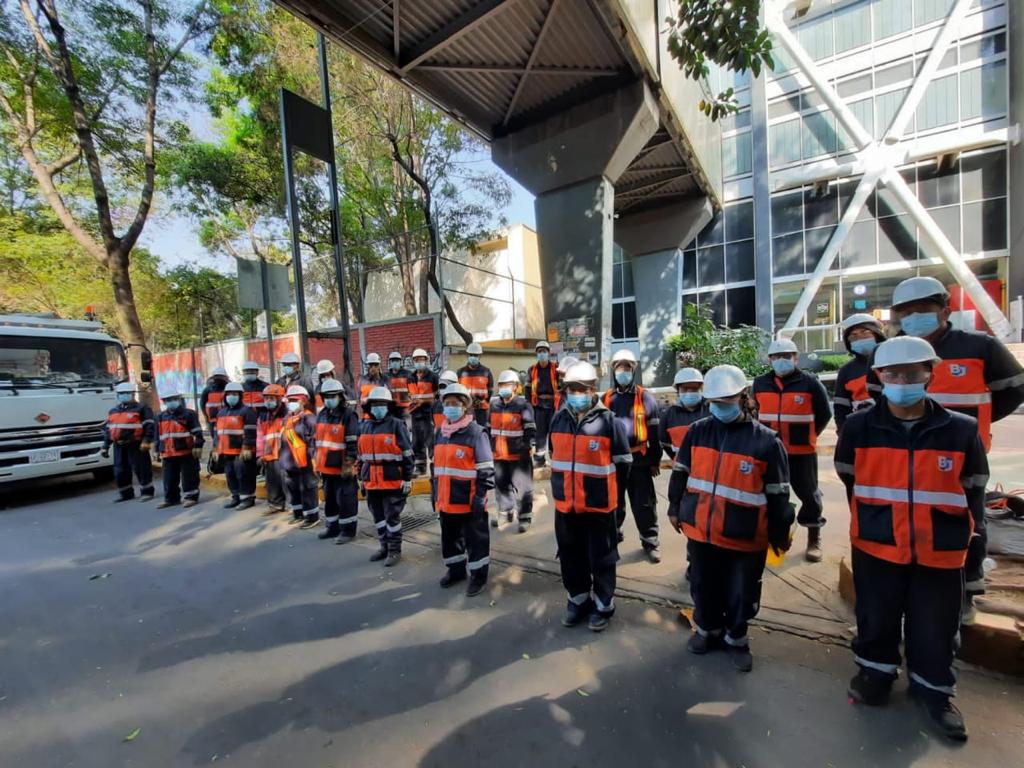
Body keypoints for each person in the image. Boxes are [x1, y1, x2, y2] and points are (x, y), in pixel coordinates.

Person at [836, 337, 988, 742]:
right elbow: (847, 473)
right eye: (893, 373)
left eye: (913, 372)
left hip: (940, 548)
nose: (903, 379)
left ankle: (934, 692)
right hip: (877, 544)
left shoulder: (960, 429)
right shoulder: (859, 426)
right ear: (879, 377)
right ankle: (875, 675)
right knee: (876, 617)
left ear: (929, 373)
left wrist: (973, 553)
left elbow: (973, 489)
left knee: (935, 625)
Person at [891, 276, 1024, 620]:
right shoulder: (895, 351)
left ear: (945, 310)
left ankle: (967, 589)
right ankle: (916, 585)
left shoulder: (979, 346)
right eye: (906, 311)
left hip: (965, 453)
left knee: (969, 520)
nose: (914, 316)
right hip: (910, 454)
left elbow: (1013, 389)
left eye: (923, 309)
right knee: (915, 518)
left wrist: (975, 425)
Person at [667, 364, 793, 672]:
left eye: (727, 401)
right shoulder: (698, 432)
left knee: (741, 592)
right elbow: (680, 472)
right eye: (715, 402)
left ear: (743, 396)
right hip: (702, 532)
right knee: (702, 585)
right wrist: (674, 507)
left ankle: (737, 639)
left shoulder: (766, 441)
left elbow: (779, 495)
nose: (720, 407)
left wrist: (779, 535)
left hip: (745, 536)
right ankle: (707, 630)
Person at [550, 361, 632, 632]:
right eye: (570, 389)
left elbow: (623, 464)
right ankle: (578, 600)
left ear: (593, 389)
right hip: (566, 506)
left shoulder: (609, 422)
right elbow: (556, 458)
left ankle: (604, 605)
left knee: (602, 558)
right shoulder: (558, 419)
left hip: (599, 506)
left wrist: (616, 503)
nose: (575, 394)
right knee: (571, 557)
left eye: (580, 389)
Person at [753, 338, 832, 562]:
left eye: (787, 356)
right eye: (777, 357)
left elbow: (824, 414)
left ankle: (814, 536)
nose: (782, 361)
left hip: (801, 452)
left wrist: (808, 435)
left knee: (809, 494)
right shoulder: (760, 383)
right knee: (771, 496)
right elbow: (755, 412)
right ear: (769, 360)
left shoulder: (809, 382)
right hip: (770, 451)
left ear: (796, 358)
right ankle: (776, 539)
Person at [434, 383, 496, 596]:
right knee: (450, 539)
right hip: (446, 500)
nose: (451, 408)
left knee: (476, 541)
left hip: (469, 502)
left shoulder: (477, 433)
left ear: (465, 406)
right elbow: (438, 469)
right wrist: (436, 495)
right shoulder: (440, 433)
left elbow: (486, 469)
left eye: (455, 404)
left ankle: (478, 577)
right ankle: (456, 570)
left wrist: (480, 496)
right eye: (447, 403)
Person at [604, 348, 662, 563]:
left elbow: (654, 433)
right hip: (614, 461)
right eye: (620, 367)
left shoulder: (645, 397)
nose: (623, 371)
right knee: (614, 503)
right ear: (613, 370)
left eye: (627, 367)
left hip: (639, 460)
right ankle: (614, 539)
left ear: (633, 370)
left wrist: (655, 461)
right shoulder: (607, 398)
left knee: (644, 504)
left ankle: (650, 541)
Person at [358, 387, 414, 566]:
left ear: (388, 406)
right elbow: (361, 456)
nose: (378, 408)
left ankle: (394, 550)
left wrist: (407, 478)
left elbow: (407, 454)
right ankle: (384, 546)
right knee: (378, 517)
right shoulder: (364, 426)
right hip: (371, 480)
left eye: (382, 405)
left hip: (391, 479)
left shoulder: (397, 424)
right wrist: (361, 478)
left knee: (392, 517)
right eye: (375, 405)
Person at [314, 378, 360, 543]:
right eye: (326, 396)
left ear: (341, 396)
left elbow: (353, 441)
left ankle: (347, 531)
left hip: (343, 468)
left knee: (346, 500)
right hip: (326, 467)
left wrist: (349, 463)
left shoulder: (349, 415)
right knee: (330, 500)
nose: (329, 399)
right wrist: (316, 463)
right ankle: (332, 527)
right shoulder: (322, 414)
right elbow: (318, 441)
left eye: (333, 396)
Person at [489, 369, 536, 532]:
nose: (503, 388)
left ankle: (524, 517)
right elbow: (490, 429)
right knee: (501, 485)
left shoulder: (523, 405)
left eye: (507, 385)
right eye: (501, 385)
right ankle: (505, 513)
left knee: (523, 487)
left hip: (519, 456)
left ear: (516, 387)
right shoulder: (494, 405)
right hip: (499, 456)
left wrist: (526, 448)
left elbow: (530, 430)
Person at [102, 381, 156, 502]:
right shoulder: (113, 411)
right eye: (121, 393)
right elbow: (109, 430)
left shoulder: (142, 408)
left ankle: (147, 492)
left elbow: (149, 426)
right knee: (120, 470)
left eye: (127, 393)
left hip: (136, 444)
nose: (124, 395)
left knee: (141, 469)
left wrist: (146, 441)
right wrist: (105, 446)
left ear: (132, 394)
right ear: (117, 395)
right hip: (119, 445)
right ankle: (126, 493)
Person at [833, 314, 885, 432]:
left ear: (877, 334)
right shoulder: (847, 371)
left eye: (865, 332)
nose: (860, 338)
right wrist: (844, 434)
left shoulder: (894, 360)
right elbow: (841, 408)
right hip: (864, 432)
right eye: (853, 335)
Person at [155, 387, 204, 509]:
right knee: (169, 478)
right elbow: (158, 435)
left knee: (189, 476)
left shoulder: (189, 414)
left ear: (178, 399)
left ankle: (191, 497)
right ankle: (171, 498)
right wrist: (156, 449)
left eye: (173, 399)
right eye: (168, 400)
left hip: (185, 451)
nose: (171, 401)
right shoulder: (161, 416)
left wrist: (198, 445)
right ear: (164, 401)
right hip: (167, 452)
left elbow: (197, 432)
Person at [279, 385, 319, 528]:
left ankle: (312, 516)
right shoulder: (288, 418)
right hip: (289, 461)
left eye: (295, 399)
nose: (292, 402)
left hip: (305, 461)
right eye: (290, 400)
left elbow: (313, 442)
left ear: (304, 401)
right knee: (293, 488)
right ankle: (298, 513)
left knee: (308, 488)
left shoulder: (309, 419)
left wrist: (314, 460)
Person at [213, 381, 258, 509]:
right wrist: (216, 448)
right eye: (229, 394)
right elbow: (217, 433)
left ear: (240, 396)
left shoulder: (247, 411)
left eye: (234, 394)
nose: (231, 397)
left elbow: (250, 431)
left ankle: (248, 498)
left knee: (244, 474)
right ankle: (236, 496)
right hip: (226, 451)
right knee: (230, 474)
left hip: (241, 451)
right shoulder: (221, 413)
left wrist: (248, 447)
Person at [659, 367, 709, 458]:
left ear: (701, 388)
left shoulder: (712, 410)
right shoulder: (668, 415)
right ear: (678, 390)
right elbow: (664, 443)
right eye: (685, 389)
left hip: (709, 468)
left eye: (694, 388)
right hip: (682, 468)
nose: (689, 392)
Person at [526, 340, 559, 467]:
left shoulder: (555, 368)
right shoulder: (532, 370)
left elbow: (561, 388)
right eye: (539, 351)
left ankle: (555, 458)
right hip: (538, 406)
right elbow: (528, 390)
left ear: (549, 353)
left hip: (553, 406)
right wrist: (529, 408)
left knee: (554, 432)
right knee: (540, 433)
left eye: (544, 351)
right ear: (536, 354)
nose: (542, 354)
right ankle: (539, 460)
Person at [407, 348, 440, 476]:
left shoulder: (433, 377)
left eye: (421, 359)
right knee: (417, 441)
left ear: (426, 360)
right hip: (415, 414)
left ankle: (436, 466)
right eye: (417, 360)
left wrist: (425, 401)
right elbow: (410, 395)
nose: (419, 362)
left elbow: (437, 396)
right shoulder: (410, 378)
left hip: (428, 414)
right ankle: (420, 468)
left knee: (430, 441)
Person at [257, 384, 287, 514]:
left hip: (285, 454)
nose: (268, 401)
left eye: (272, 398)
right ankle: (275, 504)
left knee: (287, 481)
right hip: (270, 454)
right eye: (266, 398)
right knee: (272, 482)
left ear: (280, 399)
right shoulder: (263, 416)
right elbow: (259, 436)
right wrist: (260, 454)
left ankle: (293, 505)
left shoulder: (287, 414)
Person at [458, 342, 493, 426]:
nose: (473, 357)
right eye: (471, 355)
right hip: (465, 410)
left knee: (481, 432)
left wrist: (483, 401)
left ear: (480, 356)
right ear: (467, 355)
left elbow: (490, 390)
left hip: (481, 410)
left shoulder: (486, 372)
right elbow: (458, 391)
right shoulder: (460, 372)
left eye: (476, 355)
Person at [199, 366, 229, 440]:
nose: (219, 379)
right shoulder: (208, 390)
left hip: (227, 418)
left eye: (221, 377)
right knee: (215, 438)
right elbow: (202, 404)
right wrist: (206, 416)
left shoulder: (229, 388)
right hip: (213, 420)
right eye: (217, 377)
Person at [359, 352, 388, 419]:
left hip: (383, 417)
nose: (373, 368)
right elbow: (360, 399)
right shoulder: (362, 380)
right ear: (367, 366)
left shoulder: (385, 379)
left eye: (375, 365)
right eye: (371, 365)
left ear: (379, 365)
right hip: (367, 417)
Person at [387, 351, 412, 419]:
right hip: (391, 408)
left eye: (397, 360)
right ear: (390, 362)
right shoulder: (386, 376)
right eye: (393, 360)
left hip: (405, 408)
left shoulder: (408, 374)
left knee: (405, 427)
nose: (395, 362)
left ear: (400, 362)